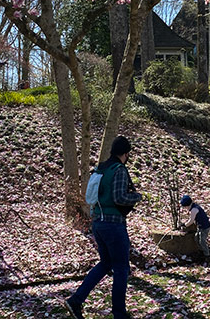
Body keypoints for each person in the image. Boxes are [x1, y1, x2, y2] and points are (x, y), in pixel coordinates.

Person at [64, 136, 141, 319]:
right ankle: (119, 314)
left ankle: (75, 300)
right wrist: (137, 197)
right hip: (113, 225)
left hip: (98, 223)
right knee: (122, 268)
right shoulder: (119, 169)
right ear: (125, 153)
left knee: (105, 263)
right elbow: (119, 198)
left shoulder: (101, 168)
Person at [179, 195, 210, 263]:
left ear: (187, 205)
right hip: (200, 227)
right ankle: (201, 251)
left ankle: (207, 255)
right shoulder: (194, 206)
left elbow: (191, 221)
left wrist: (184, 225)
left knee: (201, 240)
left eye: (185, 207)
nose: (185, 209)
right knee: (196, 238)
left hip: (205, 227)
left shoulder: (194, 210)